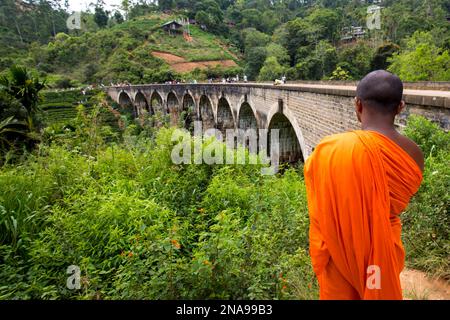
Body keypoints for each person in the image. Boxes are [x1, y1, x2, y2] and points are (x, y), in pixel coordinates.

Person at [304, 70, 424, 300]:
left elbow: (322, 203)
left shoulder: (329, 150)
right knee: (376, 284)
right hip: (381, 252)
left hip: (339, 254)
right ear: (400, 107)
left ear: (358, 105)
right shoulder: (414, 154)